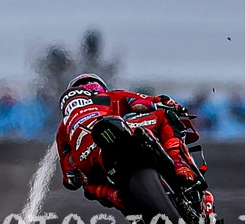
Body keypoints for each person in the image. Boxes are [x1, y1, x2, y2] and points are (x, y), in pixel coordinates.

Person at [55, 72, 211, 215]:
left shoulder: (63, 127)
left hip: (90, 159)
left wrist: (89, 178)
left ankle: (116, 197)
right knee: (164, 115)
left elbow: (70, 179)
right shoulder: (108, 97)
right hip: (120, 132)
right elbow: (144, 103)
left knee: (89, 186)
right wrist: (173, 105)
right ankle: (179, 164)